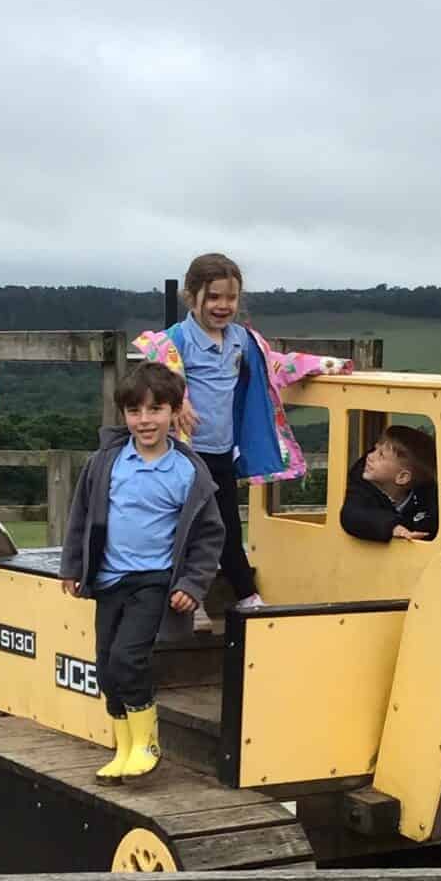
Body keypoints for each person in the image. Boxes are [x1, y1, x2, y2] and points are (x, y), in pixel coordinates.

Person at [132, 252, 351, 612]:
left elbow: (274, 365)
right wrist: (178, 399)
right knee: (180, 528)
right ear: (191, 297)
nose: (223, 306)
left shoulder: (242, 340)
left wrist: (322, 365)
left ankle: (248, 597)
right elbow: (154, 379)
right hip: (183, 455)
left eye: (230, 298)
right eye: (213, 297)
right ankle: (182, 602)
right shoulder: (175, 341)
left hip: (221, 453)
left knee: (226, 527)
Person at [59, 361, 224, 781]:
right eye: (135, 411)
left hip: (154, 582)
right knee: (105, 666)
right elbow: (80, 517)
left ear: (175, 412)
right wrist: (73, 566)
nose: (145, 420)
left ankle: (147, 743)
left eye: (155, 409)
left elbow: (209, 536)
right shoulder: (106, 462)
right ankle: (124, 748)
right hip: (109, 581)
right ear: (124, 415)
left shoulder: (188, 472)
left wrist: (193, 584)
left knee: (127, 659)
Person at [340, 424, 439, 543]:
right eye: (375, 449)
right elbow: (352, 515)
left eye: (381, 455)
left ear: (402, 477)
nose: (369, 456)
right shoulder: (361, 489)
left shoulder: (428, 497)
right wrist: (393, 527)